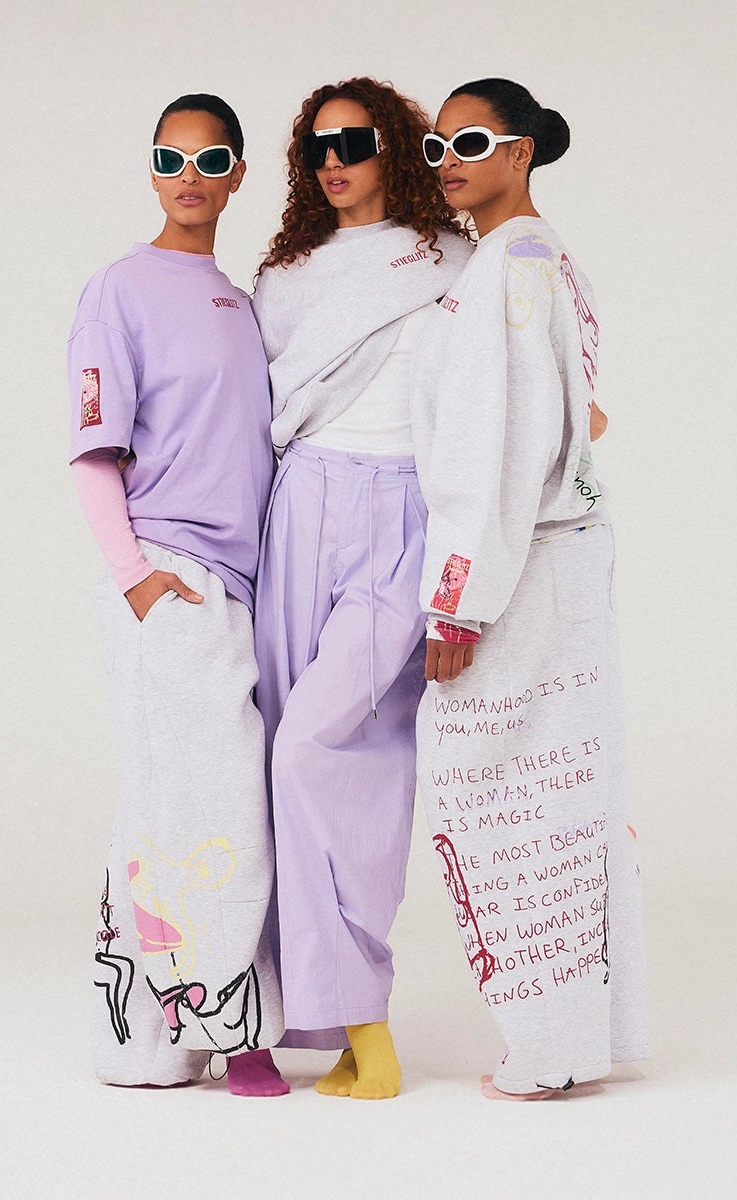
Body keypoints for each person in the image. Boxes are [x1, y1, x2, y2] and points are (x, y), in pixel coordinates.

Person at [411, 78, 650, 1099]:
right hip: (562, 555)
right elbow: (577, 416)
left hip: (522, 565)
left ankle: (548, 1050)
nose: (447, 162)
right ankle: (574, 1039)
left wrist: (457, 599)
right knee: (564, 790)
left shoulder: (509, 264)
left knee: (504, 797)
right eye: (435, 147)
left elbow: (493, 445)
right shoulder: (543, 257)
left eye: (470, 142)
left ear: (521, 151)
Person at [249, 77, 472, 1100]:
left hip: (403, 513)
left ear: (396, 148)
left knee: (345, 754)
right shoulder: (285, 276)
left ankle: (365, 1016)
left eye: (355, 141)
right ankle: (313, 1022)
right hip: (299, 507)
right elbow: (248, 407)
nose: (334, 161)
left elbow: (490, 399)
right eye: (317, 146)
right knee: (279, 757)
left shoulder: (451, 259)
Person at [69, 94, 289, 1095]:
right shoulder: (120, 289)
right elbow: (93, 451)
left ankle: (147, 1042)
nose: (188, 176)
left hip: (238, 585)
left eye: (209, 160)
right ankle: (236, 1030)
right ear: (152, 171)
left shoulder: (239, 302)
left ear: (238, 173)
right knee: (214, 798)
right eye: (170, 158)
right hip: (171, 575)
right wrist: (138, 581)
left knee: (171, 802)